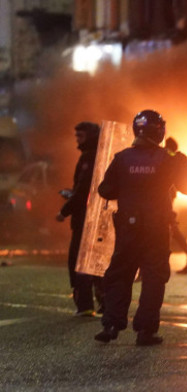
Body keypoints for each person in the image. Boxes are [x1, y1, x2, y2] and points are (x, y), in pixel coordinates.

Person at [94, 110, 187, 346]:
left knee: (120, 274)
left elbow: (105, 190)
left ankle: (110, 324)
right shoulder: (169, 157)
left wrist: (129, 189)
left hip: (128, 227)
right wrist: (181, 159)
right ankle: (145, 331)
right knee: (153, 277)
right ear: (159, 131)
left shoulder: (122, 158)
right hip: (157, 228)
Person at [56, 122, 104, 317]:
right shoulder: (101, 155)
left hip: (85, 219)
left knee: (79, 261)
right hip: (96, 218)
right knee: (95, 261)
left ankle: (85, 304)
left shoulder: (88, 157)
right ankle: (105, 303)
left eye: (81, 136)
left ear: (91, 136)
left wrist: (64, 210)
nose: (77, 139)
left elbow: (84, 190)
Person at [164, 137, 187, 274]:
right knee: (174, 231)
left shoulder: (170, 158)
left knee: (171, 230)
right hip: (166, 200)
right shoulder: (175, 159)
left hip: (164, 200)